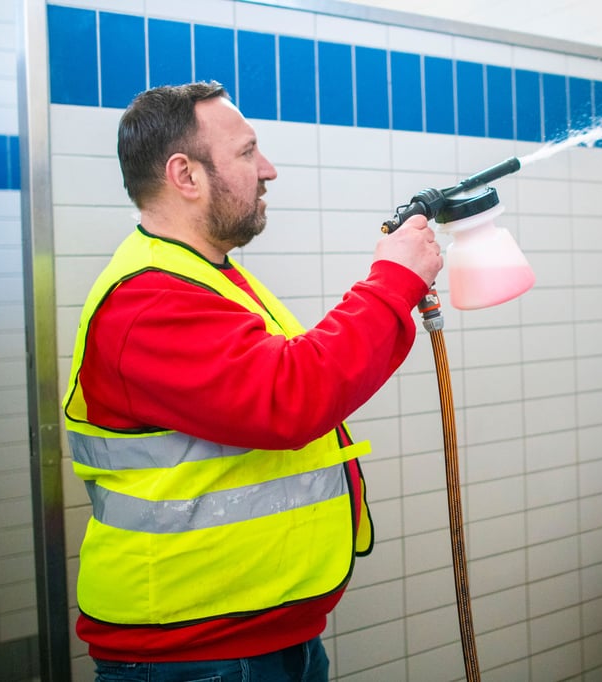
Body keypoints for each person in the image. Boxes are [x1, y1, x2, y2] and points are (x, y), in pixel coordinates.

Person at [62, 81, 443, 681]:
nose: (267, 170)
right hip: (196, 654)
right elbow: (293, 396)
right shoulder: (147, 300)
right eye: (246, 153)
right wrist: (393, 281)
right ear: (185, 175)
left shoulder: (206, 275)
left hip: (253, 634)